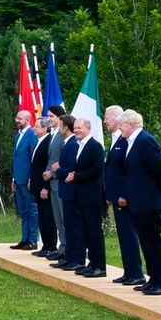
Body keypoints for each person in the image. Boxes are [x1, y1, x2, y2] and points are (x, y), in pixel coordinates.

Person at [119, 109, 161, 295]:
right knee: (145, 242)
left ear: (131, 125)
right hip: (138, 201)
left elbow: (159, 169)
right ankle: (153, 279)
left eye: (122, 125)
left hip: (148, 201)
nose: (120, 128)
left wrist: (160, 190)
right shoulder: (132, 142)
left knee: (153, 241)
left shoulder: (145, 140)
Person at [103, 105, 144, 286]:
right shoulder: (115, 139)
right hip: (116, 195)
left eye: (107, 118)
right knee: (123, 235)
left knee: (129, 234)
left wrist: (123, 194)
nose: (105, 121)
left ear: (117, 118)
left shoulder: (125, 139)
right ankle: (129, 271)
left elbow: (127, 171)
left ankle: (136, 273)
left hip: (124, 196)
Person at [68, 114, 106, 277]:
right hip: (81, 195)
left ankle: (100, 266)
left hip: (92, 195)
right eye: (75, 128)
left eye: (79, 128)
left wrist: (77, 176)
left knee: (94, 231)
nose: (76, 130)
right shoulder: (79, 145)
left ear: (88, 129)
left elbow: (97, 169)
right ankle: (91, 263)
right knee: (86, 231)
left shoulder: (95, 146)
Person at [50, 116, 84, 270]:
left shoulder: (71, 144)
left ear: (65, 128)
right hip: (66, 190)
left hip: (71, 190)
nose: (59, 129)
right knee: (68, 226)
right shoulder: (67, 143)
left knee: (73, 227)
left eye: (61, 126)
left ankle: (75, 259)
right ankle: (69, 257)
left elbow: (72, 168)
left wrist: (58, 169)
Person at [28, 117, 57, 258]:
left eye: (37, 126)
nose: (34, 128)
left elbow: (47, 165)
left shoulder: (48, 142)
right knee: (42, 217)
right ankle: (45, 245)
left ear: (45, 128)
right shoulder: (39, 142)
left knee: (48, 216)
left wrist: (45, 187)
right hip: (37, 186)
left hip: (44, 187)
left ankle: (51, 246)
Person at [10, 109, 38, 250]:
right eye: (16, 117)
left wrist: (31, 178)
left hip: (27, 179)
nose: (17, 120)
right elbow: (17, 158)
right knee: (23, 210)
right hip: (18, 179)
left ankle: (33, 240)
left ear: (27, 119)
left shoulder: (31, 135)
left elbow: (33, 158)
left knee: (31, 209)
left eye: (19, 118)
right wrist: (14, 178)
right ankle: (24, 238)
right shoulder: (18, 135)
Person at [44, 105, 67, 256]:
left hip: (60, 182)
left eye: (51, 116)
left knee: (64, 219)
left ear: (60, 118)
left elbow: (63, 160)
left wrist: (52, 173)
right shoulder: (53, 134)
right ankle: (62, 247)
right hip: (52, 183)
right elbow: (51, 158)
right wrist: (47, 172)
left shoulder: (64, 136)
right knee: (58, 219)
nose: (48, 119)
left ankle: (67, 250)